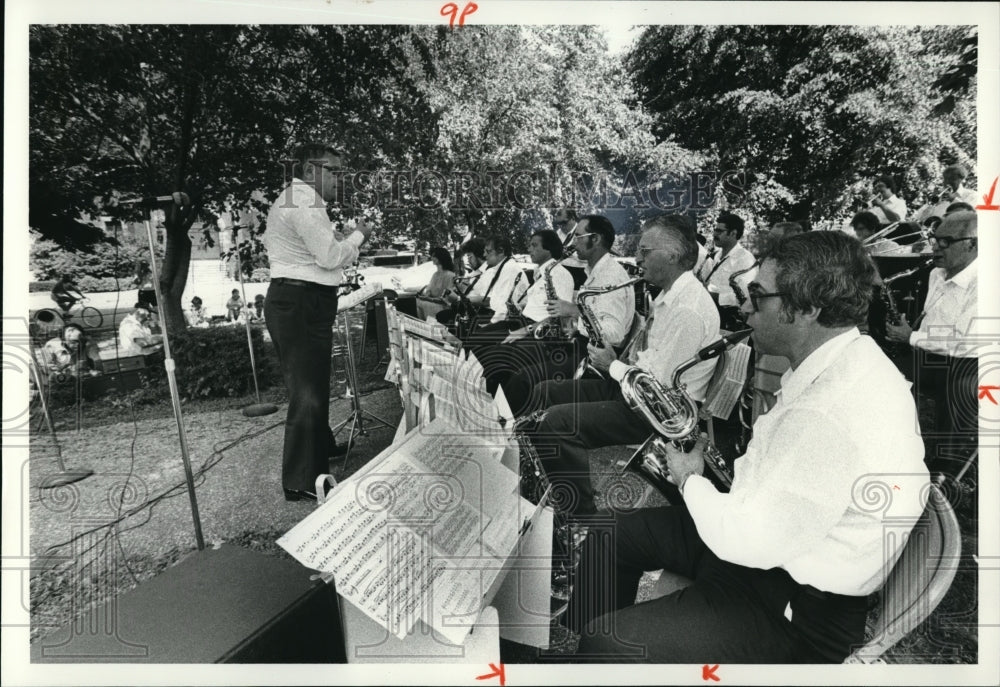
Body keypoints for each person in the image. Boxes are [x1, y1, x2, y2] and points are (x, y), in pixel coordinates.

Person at [568, 231, 929, 663]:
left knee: (608, 642)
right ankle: (581, 645)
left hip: (793, 606)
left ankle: (597, 652)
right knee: (615, 535)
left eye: (757, 297)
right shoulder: (842, 361)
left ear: (807, 309)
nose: (743, 308)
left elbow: (744, 540)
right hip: (774, 555)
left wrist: (689, 478)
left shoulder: (829, 408)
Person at [523, 220, 719, 522]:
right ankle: (545, 483)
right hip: (637, 393)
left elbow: (655, 388)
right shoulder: (671, 296)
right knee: (543, 392)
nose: (637, 259)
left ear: (673, 255)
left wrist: (610, 363)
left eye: (644, 251)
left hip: (659, 412)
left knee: (557, 422)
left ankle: (580, 518)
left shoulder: (687, 309)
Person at [263, 142, 373, 502]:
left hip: (301, 300)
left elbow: (318, 252)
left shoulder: (301, 199)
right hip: (300, 302)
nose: (340, 180)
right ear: (310, 170)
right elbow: (329, 257)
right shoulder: (303, 200)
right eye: (335, 172)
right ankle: (301, 480)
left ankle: (320, 447)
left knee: (313, 382)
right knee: (306, 391)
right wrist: (359, 236)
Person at [499, 215, 635, 417]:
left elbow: (614, 333)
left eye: (579, 236)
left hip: (592, 359)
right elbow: (596, 318)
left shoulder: (611, 276)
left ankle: (512, 432)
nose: (573, 243)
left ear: (595, 239)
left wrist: (574, 311)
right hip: (580, 346)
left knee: (523, 379)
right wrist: (575, 324)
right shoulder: (597, 272)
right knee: (513, 359)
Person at [885, 210, 978, 474]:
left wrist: (910, 337)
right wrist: (909, 332)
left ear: (972, 244)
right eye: (933, 238)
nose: (935, 247)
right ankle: (895, 446)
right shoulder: (936, 274)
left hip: (971, 362)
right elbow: (931, 320)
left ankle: (945, 473)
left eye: (945, 241)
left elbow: (965, 343)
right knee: (886, 376)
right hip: (932, 352)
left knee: (957, 392)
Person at [468, 229, 574, 377]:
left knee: (489, 357)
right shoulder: (540, 272)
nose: (529, 249)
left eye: (534, 245)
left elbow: (561, 317)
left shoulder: (560, 274)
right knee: (474, 340)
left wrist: (525, 330)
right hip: (521, 322)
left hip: (538, 332)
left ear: (548, 248)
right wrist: (519, 308)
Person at [699, 211, 756, 329]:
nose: (714, 234)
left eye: (719, 231)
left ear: (733, 233)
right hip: (711, 313)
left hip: (730, 320)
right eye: (715, 230)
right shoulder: (717, 255)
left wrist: (714, 296)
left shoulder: (746, 259)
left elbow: (746, 297)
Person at [913, 164, 978, 224]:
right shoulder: (940, 196)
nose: (947, 182)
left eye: (951, 179)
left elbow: (970, 215)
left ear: (962, 179)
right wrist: (932, 203)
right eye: (945, 179)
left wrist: (953, 200)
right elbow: (919, 218)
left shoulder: (972, 195)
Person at [416, 246, 457, 320]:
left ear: (441, 257)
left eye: (434, 256)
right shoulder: (435, 274)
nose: (432, 258)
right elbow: (429, 290)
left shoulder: (450, 275)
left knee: (423, 303)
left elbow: (446, 298)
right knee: (417, 301)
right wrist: (426, 296)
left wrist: (429, 299)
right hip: (433, 302)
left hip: (442, 306)